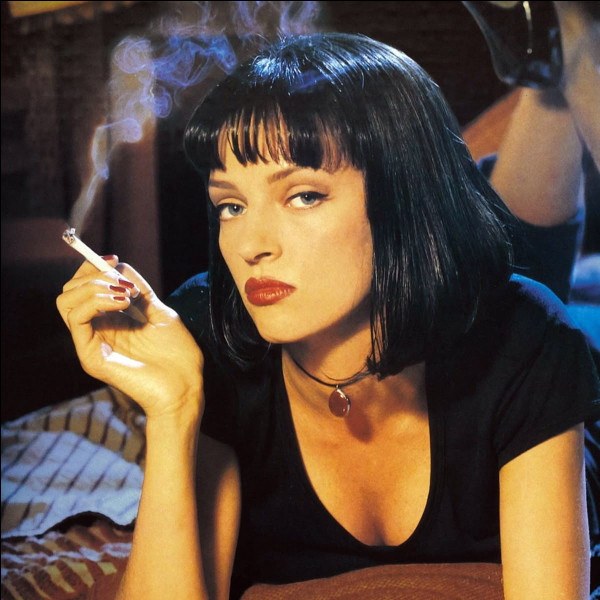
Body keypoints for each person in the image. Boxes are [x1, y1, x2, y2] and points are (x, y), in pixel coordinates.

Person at [56, 33, 600, 600]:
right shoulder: (211, 332)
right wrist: (173, 409)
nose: (251, 246)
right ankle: (549, 66)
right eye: (231, 206)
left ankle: (563, 53)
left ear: (402, 199)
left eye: (303, 196)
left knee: (514, 264)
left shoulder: (530, 342)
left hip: (501, 321)